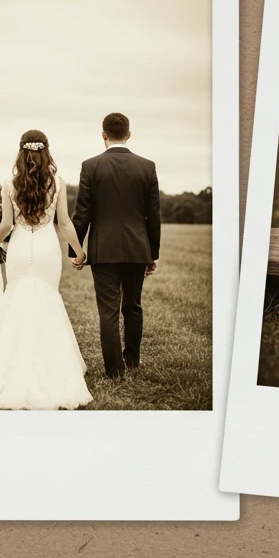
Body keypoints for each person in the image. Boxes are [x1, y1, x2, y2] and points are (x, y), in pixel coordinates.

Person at [0, 130, 92, 410]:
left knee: (17, 301)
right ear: (46, 151)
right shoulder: (57, 182)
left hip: (20, 249)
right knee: (47, 300)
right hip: (47, 250)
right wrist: (79, 251)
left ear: (21, 151)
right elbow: (64, 223)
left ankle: (10, 365)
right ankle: (54, 367)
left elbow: (7, 225)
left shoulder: (10, 183)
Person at [70, 112, 161, 379]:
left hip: (103, 250)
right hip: (137, 248)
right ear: (129, 134)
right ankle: (132, 360)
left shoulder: (91, 166)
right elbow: (153, 215)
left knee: (108, 312)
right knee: (133, 306)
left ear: (104, 135)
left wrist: (77, 251)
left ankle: (114, 370)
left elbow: (82, 212)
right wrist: (152, 254)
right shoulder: (147, 166)